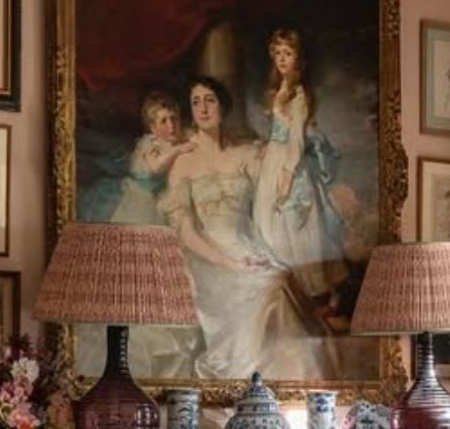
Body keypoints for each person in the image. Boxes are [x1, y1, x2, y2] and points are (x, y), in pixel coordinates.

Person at [162, 74, 327, 382]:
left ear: (223, 107)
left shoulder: (245, 153)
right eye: (196, 102)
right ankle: (249, 381)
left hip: (248, 245)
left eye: (210, 100)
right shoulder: (183, 163)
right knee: (262, 291)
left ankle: (290, 386)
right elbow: (186, 233)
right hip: (207, 258)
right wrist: (230, 263)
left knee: (278, 282)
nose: (203, 108)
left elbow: (274, 186)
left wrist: (285, 126)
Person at [251, 29, 348, 311]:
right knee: (272, 228)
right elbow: (279, 133)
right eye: (278, 53)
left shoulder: (299, 94)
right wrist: (266, 149)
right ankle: (288, 293)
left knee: (298, 230)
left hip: (290, 166)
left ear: (298, 59)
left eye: (288, 53)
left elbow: (295, 140)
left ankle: (320, 292)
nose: (282, 59)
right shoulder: (279, 90)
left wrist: (286, 177)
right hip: (273, 161)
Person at [108, 92, 195, 226]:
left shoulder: (184, 137)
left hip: (168, 196)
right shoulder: (151, 144)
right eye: (163, 121)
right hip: (144, 200)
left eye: (174, 118)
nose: (171, 125)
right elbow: (156, 167)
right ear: (153, 128)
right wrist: (178, 150)